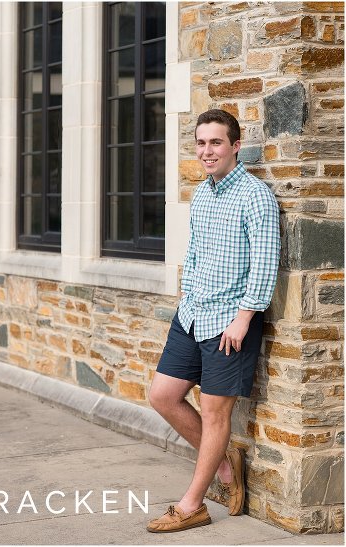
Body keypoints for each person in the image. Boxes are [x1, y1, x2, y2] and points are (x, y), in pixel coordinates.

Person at [146, 109, 280, 533]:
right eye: (201, 143)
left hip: (230, 324)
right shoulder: (203, 193)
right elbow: (198, 253)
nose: (206, 151)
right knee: (162, 396)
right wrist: (186, 295)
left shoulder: (255, 195)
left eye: (215, 142)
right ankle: (223, 461)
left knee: (215, 412)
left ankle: (192, 505)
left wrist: (244, 318)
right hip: (192, 314)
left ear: (235, 146)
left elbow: (265, 262)